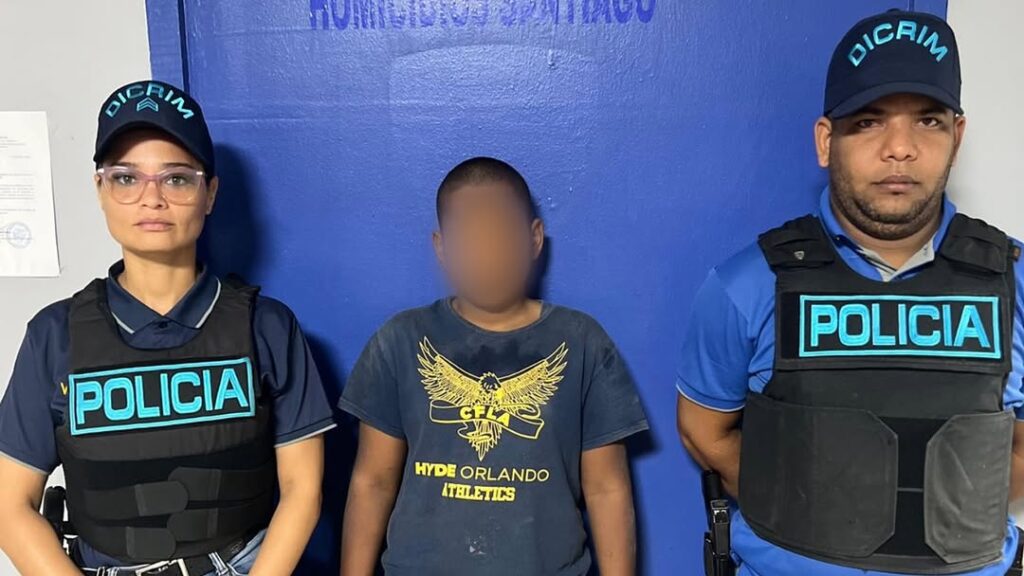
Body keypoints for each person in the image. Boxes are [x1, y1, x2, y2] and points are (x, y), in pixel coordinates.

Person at [677, 9, 1024, 576]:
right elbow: (703, 431)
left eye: (928, 120)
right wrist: (815, 515)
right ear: (826, 140)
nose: (900, 148)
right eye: (868, 121)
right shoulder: (747, 285)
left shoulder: (1014, 280)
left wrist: (943, 517)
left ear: (957, 137)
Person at [0, 80, 336, 576]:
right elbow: (10, 506)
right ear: (101, 190)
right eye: (126, 177)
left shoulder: (267, 327)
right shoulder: (54, 335)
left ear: (209, 193)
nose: (151, 198)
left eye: (177, 179)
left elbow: (303, 491)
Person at [337, 157, 649, 575]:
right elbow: (372, 482)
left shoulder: (581, 341)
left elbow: (607, 488)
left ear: (534, 239)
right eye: (469, 238)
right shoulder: (401, 339)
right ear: (441, 248)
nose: (486, 253)